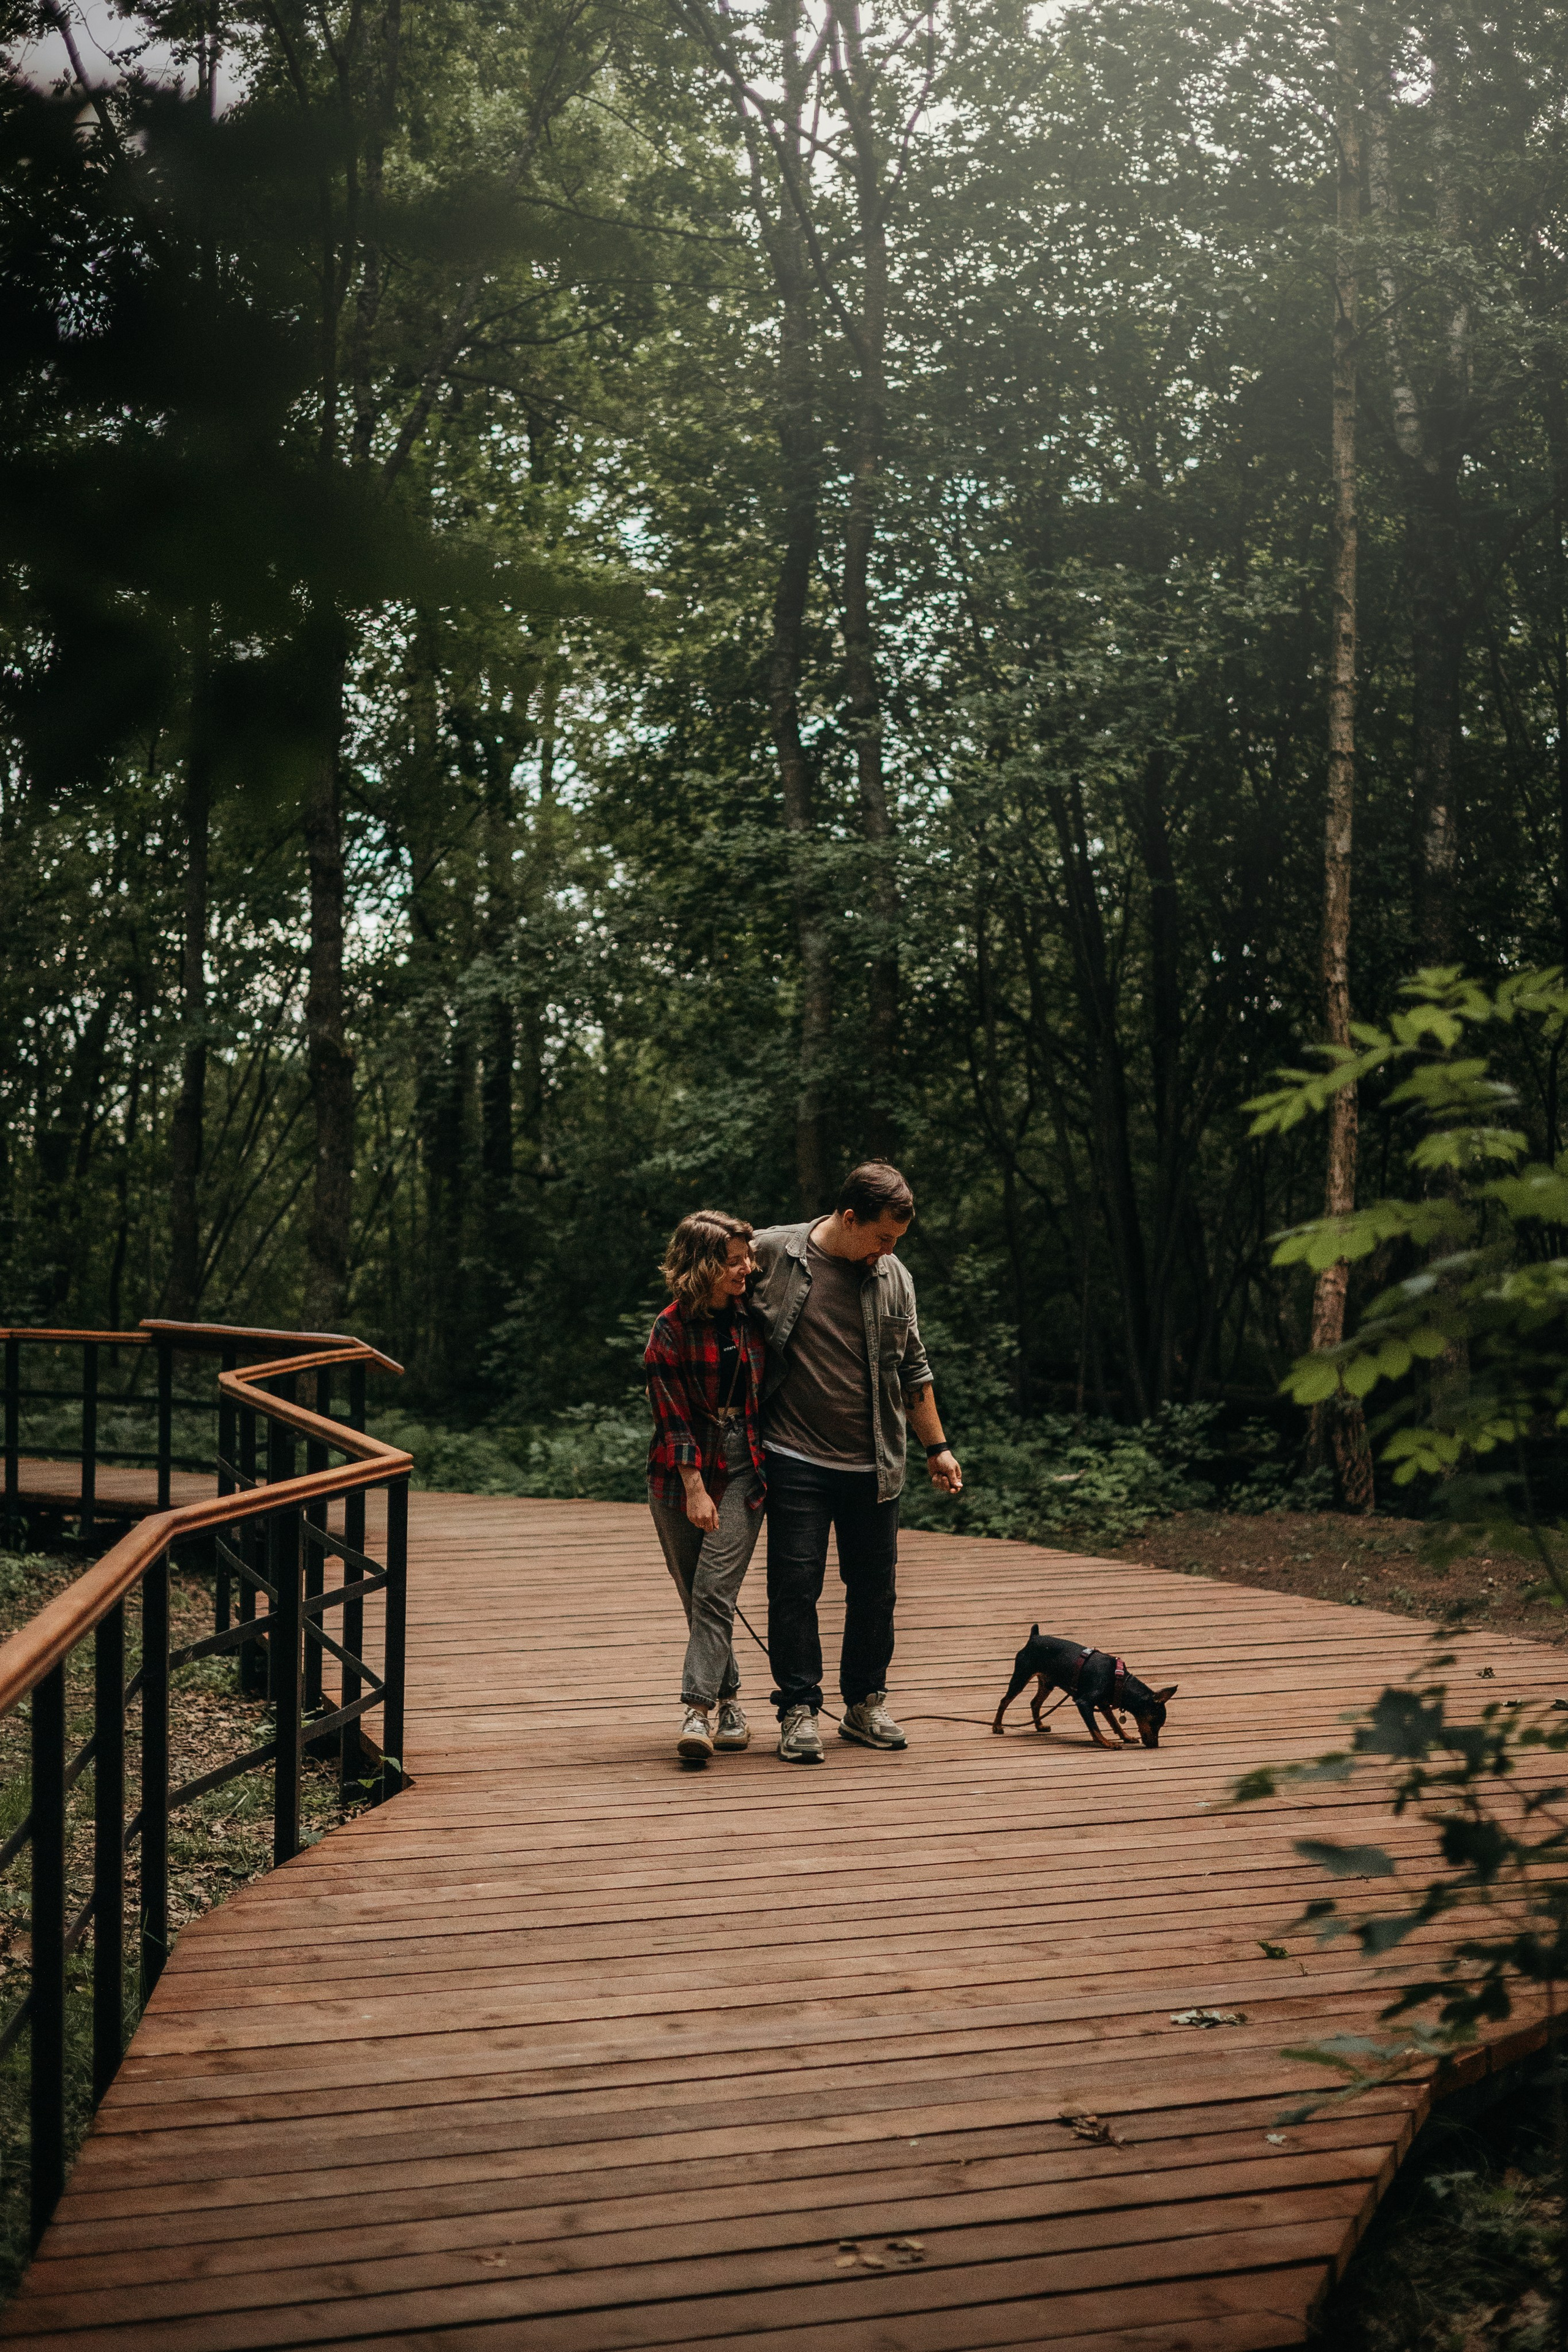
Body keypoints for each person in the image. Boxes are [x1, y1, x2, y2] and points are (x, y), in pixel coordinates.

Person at [748, 1161, 962, 1764]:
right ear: (848, 1218)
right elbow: (713, 1311)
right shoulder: (770, 1253)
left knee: (874, 1590)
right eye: (882, 1238)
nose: (888, 1252)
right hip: (794, 1456)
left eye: (896, 1242)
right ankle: (797, 1709)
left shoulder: (894, 1276)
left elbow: (912, 1370)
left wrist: (936, 1448)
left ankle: (865, 1703)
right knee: (796, 1585)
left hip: (875, 1463)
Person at [644, 1210, 769, 1764]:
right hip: (677, 1475)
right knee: (696, 1592)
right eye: (735, 1259)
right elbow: (671, 1421)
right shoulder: (668, 1329)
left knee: (714, 1591)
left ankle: (696, 1709)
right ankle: (733, 1702)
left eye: (749, 1257)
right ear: (702, 1265)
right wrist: (694, 1488)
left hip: (746, 1467)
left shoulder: (754, 1318)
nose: (748, 1267)